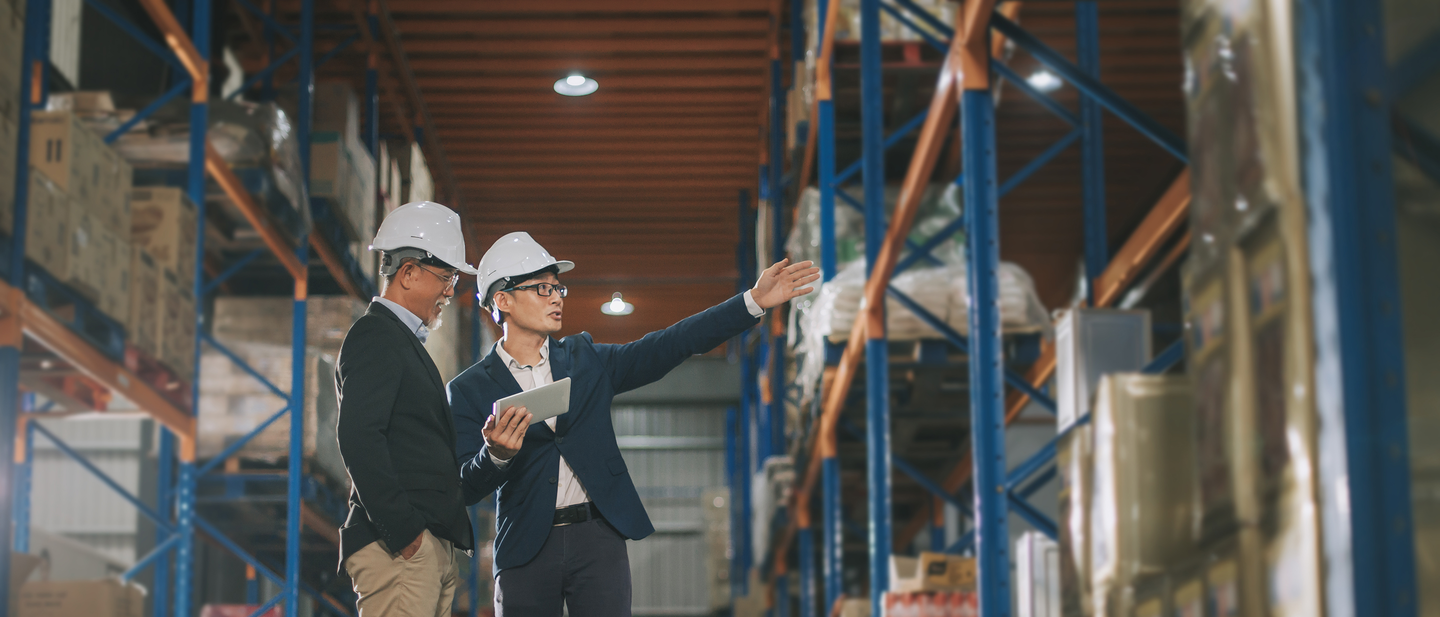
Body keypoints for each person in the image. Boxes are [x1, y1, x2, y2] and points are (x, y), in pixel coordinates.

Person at [447, 231, 819, 617]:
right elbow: (463, 488)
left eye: (558, 288)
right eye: (542, 288)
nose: (557, 297)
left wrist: (752, 302)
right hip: (525, 546)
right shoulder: (468, 389)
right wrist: (496, 456)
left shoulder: (585, 358)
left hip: (597, 539)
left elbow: (670, 343)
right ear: (502, 299)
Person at [335, 201, 479, 616]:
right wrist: (406, 533)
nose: (451, 291)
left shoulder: (400, 342)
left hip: (423, 550)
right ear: (409, 272)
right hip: (400, 551)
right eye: (446, 277)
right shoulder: (376, 336)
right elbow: (359, 437)